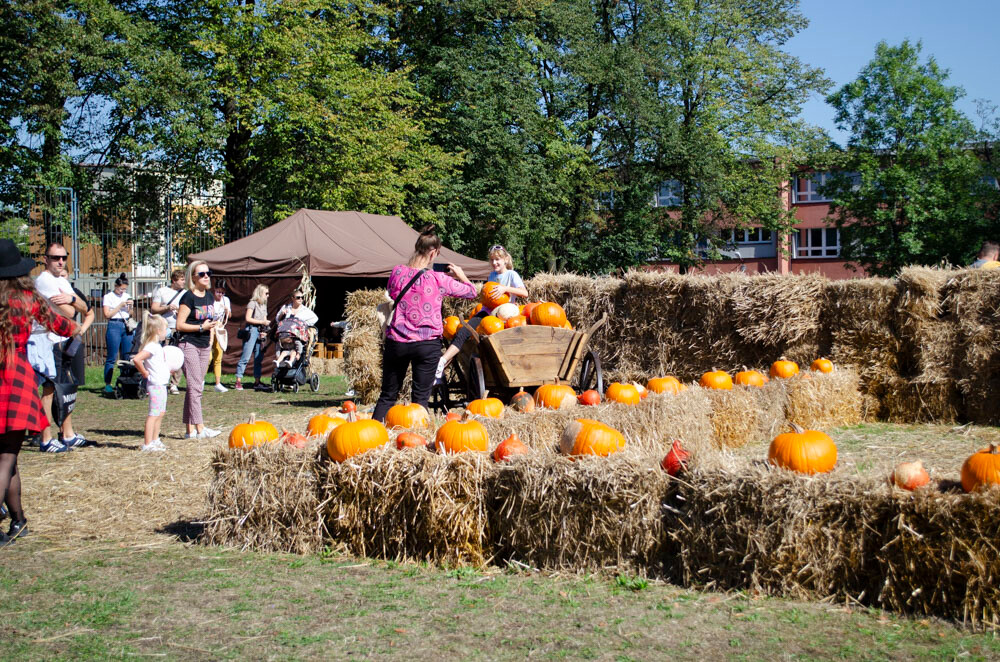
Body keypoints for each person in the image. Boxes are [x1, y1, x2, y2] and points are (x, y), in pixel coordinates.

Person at [0, 239, 81, 546]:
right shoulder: (27, 298)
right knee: (7, 455)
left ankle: (18, 520)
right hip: (15, 376)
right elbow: (63, 326)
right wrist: (79, 316)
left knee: (9, 457)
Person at [372, 225, 477, 423]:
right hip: (427, 344)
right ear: (433, 253)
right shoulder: (438, 278)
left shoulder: (397, 272)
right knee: (420, 400)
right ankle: (415, 437)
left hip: (397, 342)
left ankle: (373, 435)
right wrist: (461, 275)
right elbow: (472, 292)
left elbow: (392, 293)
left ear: (417, 247)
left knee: (387, 396)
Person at [434, 244, 528, 383]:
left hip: (504, 314)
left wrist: (505, 288)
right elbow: (487, 296)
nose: (494, 262)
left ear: (506, 260)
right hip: (488, 312)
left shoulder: (511, 274)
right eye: (492, 260)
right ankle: (442, 362)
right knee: (464, 331)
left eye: (497, 259)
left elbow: (524, 293)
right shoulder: (492, 275)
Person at [28, 241, 89, 452]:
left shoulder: (60, 281)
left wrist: (71, 298)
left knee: (64, 388)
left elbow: (84, 306)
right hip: (46, 340)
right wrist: (74, 302)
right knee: (49, 389)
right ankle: (45, 438)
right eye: (56, 258)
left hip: (60, 338)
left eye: (64, 257)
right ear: (46, 259)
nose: (61, 261)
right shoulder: (45, 281)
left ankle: (67, 434)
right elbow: (71, 312)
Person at [175, 260, 221, 438]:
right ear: (193, 277)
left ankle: (189, 430)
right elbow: (180, 325)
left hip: (204, 344)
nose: (206, 276)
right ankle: (200, 429)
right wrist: (201, 327)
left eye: (208, 273)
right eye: (202, 274)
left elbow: (210, 322)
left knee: (194, 387)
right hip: (189, 343)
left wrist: (210, 338)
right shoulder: (188, 297)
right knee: (196, 387)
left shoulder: (209, 296)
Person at [132, 314, 171, 452]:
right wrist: (144, 372)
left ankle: (155, 439)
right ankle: (147, 444)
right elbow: (137, 359)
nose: (167, 332)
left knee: (160, 413)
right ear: (158, 331)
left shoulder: (157, 346)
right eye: (165, 329)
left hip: (162, 384)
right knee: (153, 414)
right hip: (156, 385)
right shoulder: (151, 347)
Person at [151, 269, 186, 394]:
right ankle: (161, 381)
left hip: (179, 327)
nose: (184, 282)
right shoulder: (162, 291)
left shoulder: (185, 293)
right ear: (174, 280)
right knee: (162, 355)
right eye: (182, 280)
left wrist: (180, 312)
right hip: (163, 328)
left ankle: (174, 384)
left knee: (178, 356)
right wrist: (167, 307)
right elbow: (154, 308)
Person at [102, 273, 135, 394]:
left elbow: (131, 314)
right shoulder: (108, 297)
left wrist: (130, 308)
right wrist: (119, 305)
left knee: (126, 356)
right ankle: (108, 384)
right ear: (116, 286)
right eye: (121, 289)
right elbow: (107, 315)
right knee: (112, 356)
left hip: (126, 325)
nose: (122, 291)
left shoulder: (127, 296)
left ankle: (125, 382)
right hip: (114, 325)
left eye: (125, 289)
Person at [235, 284, 270, 391]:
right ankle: (238, 381)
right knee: (246, 356)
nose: (268, 295)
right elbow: (248, 318)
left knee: (258, 357)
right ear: (260, 293)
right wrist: (262, 322)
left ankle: (257, 381)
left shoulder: (264, 305)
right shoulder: (252, 303)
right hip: (251, 330)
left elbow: (265, 319)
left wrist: (265, 330)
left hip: (260, 331)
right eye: (266, 293)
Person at [274, 289, 318, 367]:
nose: (300, 299)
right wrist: (282, 314)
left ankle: (292, 361)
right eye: (298, 297)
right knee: (279, 345)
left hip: (296, 336)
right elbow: (277, 320)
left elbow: (315, 318)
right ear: (293, 298)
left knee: (297, 346)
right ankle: (278, 361)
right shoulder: (286, 307)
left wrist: (303, 324)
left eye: (302, 297)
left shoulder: (305, 310)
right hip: (285, 335)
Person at [208, 282, 232, 392]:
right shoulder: (209, 299)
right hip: (209, 327)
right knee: (208, 357)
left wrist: (227, 311)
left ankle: (218, 383)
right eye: (218, 292)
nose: (220, 294)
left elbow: (229, 315)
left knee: (218, 355)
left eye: (222, 292)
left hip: (219, 328)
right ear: (214, 291)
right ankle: (200, 381)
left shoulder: (225, 300)